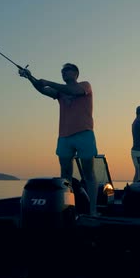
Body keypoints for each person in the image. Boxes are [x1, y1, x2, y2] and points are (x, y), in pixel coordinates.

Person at [18, 63, 99, 216]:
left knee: (88, 173)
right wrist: (29, 77)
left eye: (66, 71)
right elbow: (42, 89)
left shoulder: (84, 85)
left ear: (75, 73)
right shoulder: (59, 92)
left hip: (84, 134)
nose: (63, 73)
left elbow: (72, 91)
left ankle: (93, 210)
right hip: (64, 137)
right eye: (62, 72)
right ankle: (67, 209)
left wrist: (47, 81)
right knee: (65, 175)